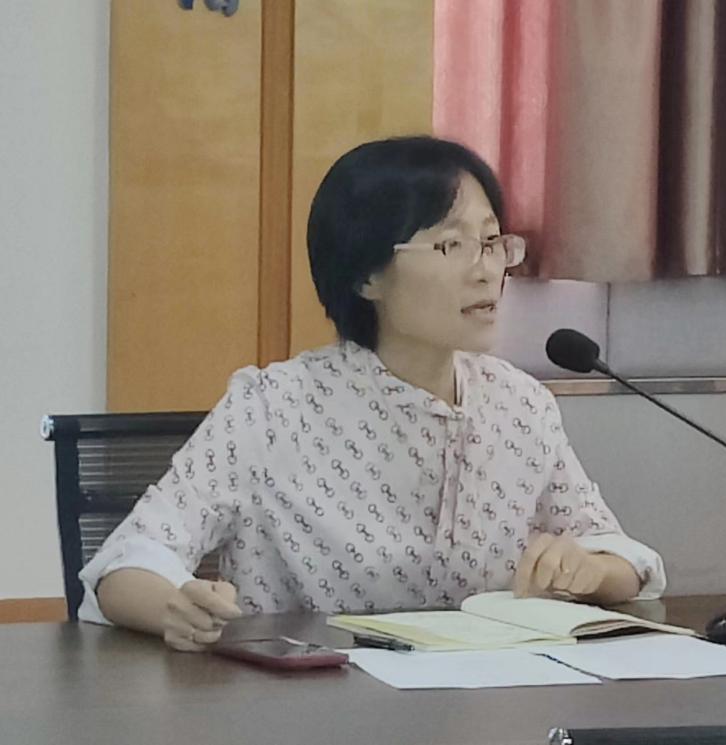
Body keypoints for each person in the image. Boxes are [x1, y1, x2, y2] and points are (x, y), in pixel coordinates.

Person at [79, 136, 666, 651]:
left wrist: (590, 570)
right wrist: (173, 607)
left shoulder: (519, 404)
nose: (487, 270)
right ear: (367, 276)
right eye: (451, 246)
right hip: (311, 707)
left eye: (492, 242)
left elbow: (620, 558)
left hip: (480, 710)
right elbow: (127, 564)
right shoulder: (272, 407)